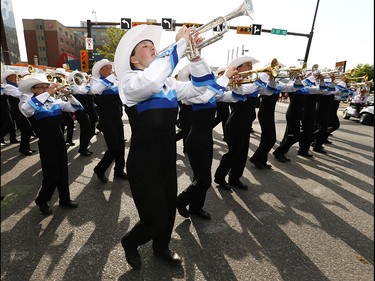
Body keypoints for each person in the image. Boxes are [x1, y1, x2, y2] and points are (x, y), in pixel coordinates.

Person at [114, 24, 215, 269]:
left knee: (168, 211)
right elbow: (150, 82)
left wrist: (196, 57)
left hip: (167, 155)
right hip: (143, 159)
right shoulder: (129, 81)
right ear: (134, 59)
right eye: (145, 47)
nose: (153, 49)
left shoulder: (169, 83)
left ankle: (161, 247)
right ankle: (130, 241)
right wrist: (180, 43)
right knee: (154, 217)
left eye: (153, 46)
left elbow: (202, 91)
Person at [176, 65, 238, 220]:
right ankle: (180, 200)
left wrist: (237, 85)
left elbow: (231, 98)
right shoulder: (190, 96)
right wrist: (226, 77)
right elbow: (204, 97)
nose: (210, 78)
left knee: (201, 176)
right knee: (204, 181)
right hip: (196, 141)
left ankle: (197, 207)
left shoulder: (210, 92)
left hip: (205, 139)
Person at [18, 73, 83, 215]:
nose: (46, 89)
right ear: (33, 90)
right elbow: (27, 111)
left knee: (63, 171)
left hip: (59, 139)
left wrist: (69, 94)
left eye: (46, 86)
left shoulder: (55, 102)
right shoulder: (29, 103)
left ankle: (64, 199)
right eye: (41, 87)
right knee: (51, 174)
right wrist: (48, 92)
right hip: (46, 142)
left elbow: (77, 108)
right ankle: (42, 199)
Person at [214, 56, 259, 192]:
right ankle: (220, 177)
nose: (251, 68)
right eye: (248, 65)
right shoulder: (233, 82)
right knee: (233, 152)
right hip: (235, 122)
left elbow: (269, 90)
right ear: (239, 68)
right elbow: (244, 91)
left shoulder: (253, 82)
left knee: (242, 153)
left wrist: (270, 80)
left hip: (245, 123)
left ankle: (234, 178)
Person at [90, 59, 128, 183]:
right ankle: (100, 169)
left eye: (110, 67)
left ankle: (119, 170)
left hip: (117, 117)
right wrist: (112, 77)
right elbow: (96, 90)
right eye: (107, 67)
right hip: (106, 119)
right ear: (100, 70)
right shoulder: (96, 81)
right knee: (113, 147)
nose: (110, 69)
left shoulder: (115, 81)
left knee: (121, 146)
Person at [272, 73, 307, 162]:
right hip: (292, 112)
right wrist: (296, 77)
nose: (303, 75)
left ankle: (282, 152)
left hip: (298, 112)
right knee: (296, 136)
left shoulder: (301, 83)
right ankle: (278, 151)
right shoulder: (292, 84)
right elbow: (295, 87)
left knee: (290, 134)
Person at [2, 69, 35, 155]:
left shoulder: (16, 85)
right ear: (7, 78)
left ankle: (25, 147)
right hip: (17, 110)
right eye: (12, 76)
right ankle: (24, 148)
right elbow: (18, 94)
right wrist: (25, 88)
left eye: (15, 75)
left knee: (27, 129)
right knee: (27, 128)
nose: (15, 77)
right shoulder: (7, 87)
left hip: (22, 108)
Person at [68, 70, 93, 156]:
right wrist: (89, 83)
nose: (79, 80)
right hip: (80, 111)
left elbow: (88, 91)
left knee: (85, 130)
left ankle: (83, 148)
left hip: (84, 111)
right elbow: (83, 91)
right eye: (76, 79)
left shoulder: (80, 86)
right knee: (87, 130)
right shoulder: (74, 87)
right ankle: (83, 148)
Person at [212, 67, 230, 138]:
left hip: (225, 102)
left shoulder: (227, 80)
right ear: (219, 74)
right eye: (222, 72)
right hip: (219, 102)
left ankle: (226, 135)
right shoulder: (218, 81)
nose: (224, 74)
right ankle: (208, 127)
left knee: (225, 118)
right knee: (221, 117)